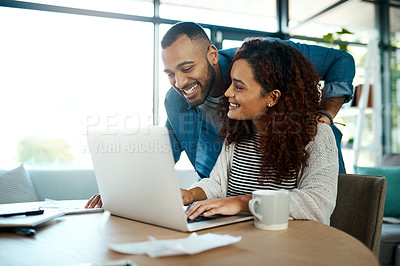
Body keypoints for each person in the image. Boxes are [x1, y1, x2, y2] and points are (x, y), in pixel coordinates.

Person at [86, 21, 354, 209]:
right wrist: (123, 190)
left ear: (212, 54)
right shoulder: (178, 104)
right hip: (233, 211)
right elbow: (167, 156)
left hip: (293, 195)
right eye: (170, 74)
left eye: (187, 67)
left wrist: (325, 115)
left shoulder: (263, 58)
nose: (179, 82)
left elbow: (340, 60)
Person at [182, 38, 338, 225]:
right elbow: (218, 183)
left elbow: (317, 203)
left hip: (291, 244)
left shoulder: (316, 134)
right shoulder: (239, 131)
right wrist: (190, 194)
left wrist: (242, 202)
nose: (227, 93)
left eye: (239, 87)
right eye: (230, 83)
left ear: (272, 97)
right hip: (242, 238)